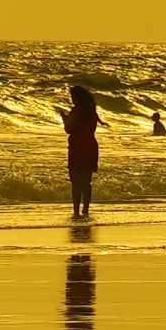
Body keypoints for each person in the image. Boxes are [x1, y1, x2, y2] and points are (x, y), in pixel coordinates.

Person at [63, 80, 103, 223]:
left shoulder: (77, 110)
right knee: (86, 181)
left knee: (75, 181)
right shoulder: (92, 111)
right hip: (91, 145)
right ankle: (85, 209)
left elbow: (69, 129)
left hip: (78, 146)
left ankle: (75, 211)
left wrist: (64, 119)